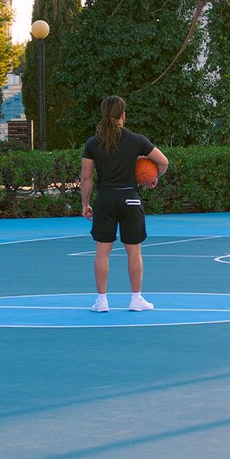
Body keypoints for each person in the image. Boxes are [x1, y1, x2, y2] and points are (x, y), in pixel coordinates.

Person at [80, 95, 168, 313]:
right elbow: (163, 161)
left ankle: (101, 301)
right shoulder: (136, 140)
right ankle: (136, 299)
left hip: (106, 199)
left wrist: (85, 204)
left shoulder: (93, 143)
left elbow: (86, 177)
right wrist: (153, 178)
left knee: (102, 252)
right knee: (134, 251)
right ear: (123, 115)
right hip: (130, 198)